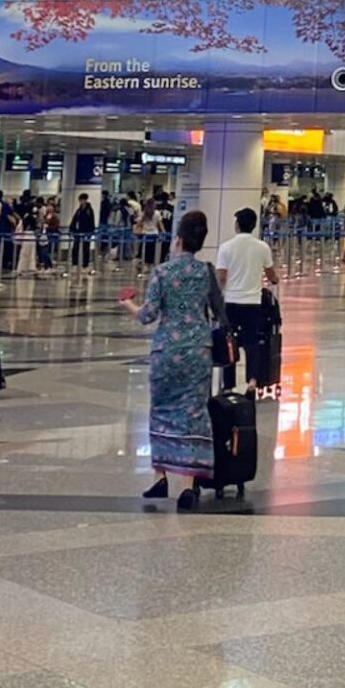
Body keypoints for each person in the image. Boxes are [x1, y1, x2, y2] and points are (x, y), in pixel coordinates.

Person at [122, 208, 223, 510]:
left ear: (177, 239)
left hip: (167, 350)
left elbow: (147, 315)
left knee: (162, 409)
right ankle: (188, 485)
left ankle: (159, 476)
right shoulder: (205, 271)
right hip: (198, 350)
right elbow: (219, 313)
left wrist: (128, 304)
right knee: (193, 411)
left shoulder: (162, 272)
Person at [214, 205, 277, 385]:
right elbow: (271, 275)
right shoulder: (262, 247)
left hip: (231, 302)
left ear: (237, 225)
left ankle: (229, 382)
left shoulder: (226, 247)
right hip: (253, 302)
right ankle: (252, 380)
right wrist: (275, 280)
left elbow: (221, 277)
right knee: (252, 343)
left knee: (229, 342)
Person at [69, 192, 96, 269]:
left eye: (82, 200)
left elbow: (91, 221)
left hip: (86, 231)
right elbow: (74, 220)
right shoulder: (79, 210)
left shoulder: (89, 210)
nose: (80, 201)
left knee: (86, 247)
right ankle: (75, 262)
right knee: (75, 247)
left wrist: (91, 231)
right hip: (78, 231)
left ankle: (85, 263)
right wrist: (72, 228)